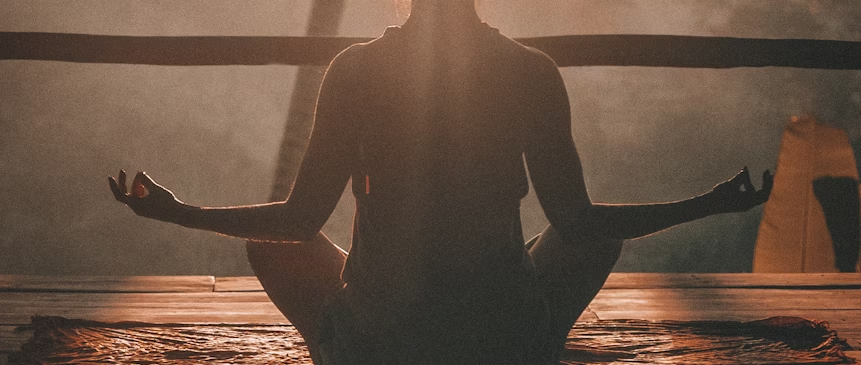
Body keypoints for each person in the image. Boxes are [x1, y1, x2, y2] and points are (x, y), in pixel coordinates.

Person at [109, 1, 772, 363]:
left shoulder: (355, 70)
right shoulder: (528, 70)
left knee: (269, 244)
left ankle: (337, 353)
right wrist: (708, 204)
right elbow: (578, 223)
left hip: (380, 339)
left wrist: (179, 211)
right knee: (592, 237)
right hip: (500, 336)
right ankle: (536, 346)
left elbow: (296, 219)